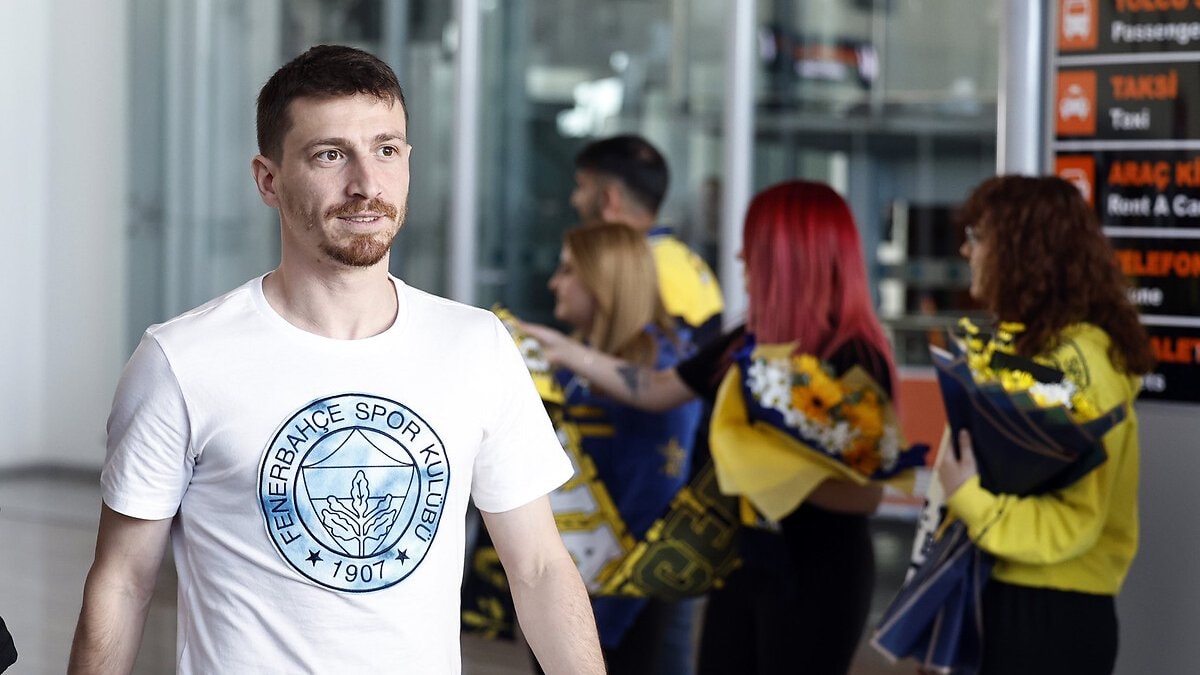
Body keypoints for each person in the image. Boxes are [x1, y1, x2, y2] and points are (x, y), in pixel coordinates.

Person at [68, 45, 603, 674]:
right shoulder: (181, 361)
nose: (366, 185)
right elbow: (124, 582)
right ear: (268, 180)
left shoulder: (476, 345)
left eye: (386, 150)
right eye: (330, 154)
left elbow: (538, 569)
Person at [525, 180, 897, 675]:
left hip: (819, 574)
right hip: (743, 564)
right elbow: (656, 388)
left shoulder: (856, 355)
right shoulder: (749, 340)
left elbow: (866, 496)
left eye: (754, 243)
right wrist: (566, 350)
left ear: (792, 254)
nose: (741, 256)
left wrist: (763, 470)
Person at [931, 175, 1153, 674]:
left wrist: (970, 499)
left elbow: (1075, 521)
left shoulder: (1077, 366)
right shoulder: (1029, 349)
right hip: (1007, 594)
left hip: (1046, 613)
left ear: (1023, 254)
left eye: (978, 237)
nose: (967, 252)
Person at [541, 223, 702, 674]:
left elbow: (655, 498)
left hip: (629, 594)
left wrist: (607, 615)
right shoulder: (566, 363)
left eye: (568, 270)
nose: (554, 282)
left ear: (604, 280)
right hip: (567, 581)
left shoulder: (663, 363)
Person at [571, 134, 724, 347]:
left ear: (609, 199)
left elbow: (653, 360)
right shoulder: (676, 258)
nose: (575, 199)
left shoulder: (642, 269)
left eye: (582, 186)